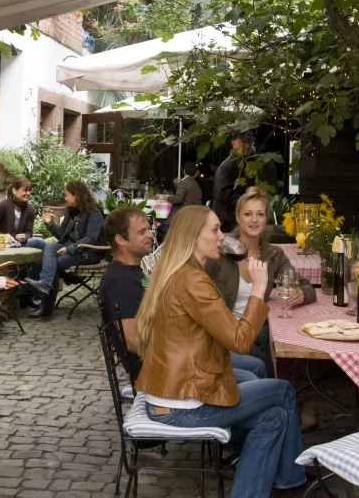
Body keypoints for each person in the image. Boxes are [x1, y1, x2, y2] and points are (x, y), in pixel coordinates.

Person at [135, 205, 305, 497]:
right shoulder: (192, 280)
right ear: (192, 236)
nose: (221, 237)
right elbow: (239, 340)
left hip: (167, 395)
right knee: (284, 390)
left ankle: (271, 483)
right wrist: (258, 290)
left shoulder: (177, 271)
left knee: (273, 416)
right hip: (183, 405)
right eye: (214, 230)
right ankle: (292, 480)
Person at [98, 207, 267, 385]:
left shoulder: (135, 271)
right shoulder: (121, 282)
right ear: (120, 240)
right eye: (142, 232)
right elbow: (133, 341)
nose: (150, 235)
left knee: (256, 362)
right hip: (162, 372)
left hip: (176, 360)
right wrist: (191, 349)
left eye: (149, 229)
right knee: (255, 369)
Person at [206, 187, 315, 376]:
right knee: (260, 358)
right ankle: (272, 387)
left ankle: (273, 386)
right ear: (238, 217)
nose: (254, 220)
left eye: (260, 214)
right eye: (248, 214)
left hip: (255, 329)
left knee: (274, 336)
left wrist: (302, 293)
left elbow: (304, 284)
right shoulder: (219, 251)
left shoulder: (273, 254)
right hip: (225, 332)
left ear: (266, 220)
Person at [24, 181, 105, 319]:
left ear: (77, 196)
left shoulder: (94, 213)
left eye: (67, 195)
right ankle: (45, 285)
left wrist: (70, 248)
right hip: (69, 248)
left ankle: (46, 306)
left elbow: (91, 238)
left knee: (52, 264)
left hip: (88, 252)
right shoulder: (70, 211)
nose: (65, 198)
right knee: (48, 248)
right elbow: (61, 234)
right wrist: (50, 224)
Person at [212, 133, 277, 233]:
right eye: (243, 142)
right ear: (233, 143)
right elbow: (224, 194)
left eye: (249, 142)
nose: (247, 146)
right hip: (229, 221)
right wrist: (248, 202)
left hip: (247, 217)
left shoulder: (256, 164)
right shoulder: (226, 167)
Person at [0, 176, 37, 243]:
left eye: (29, 190)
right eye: (25, 190)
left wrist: (25, 236)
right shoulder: (3, 206)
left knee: (39, 242)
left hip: (20, 245)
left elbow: (29, 232)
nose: (28, 193)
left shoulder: (30, 210)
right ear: (14, 191)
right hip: (1, 245)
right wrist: (3, 236)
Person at [160, 160, 202, 239]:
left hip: (184, 216)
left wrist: (167, 198)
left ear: (184, 171)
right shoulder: (195, 183)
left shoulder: (183, 182)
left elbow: (178, 199)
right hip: (194, 215)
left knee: (160, 221)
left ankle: (169, 241)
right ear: (196, 173)